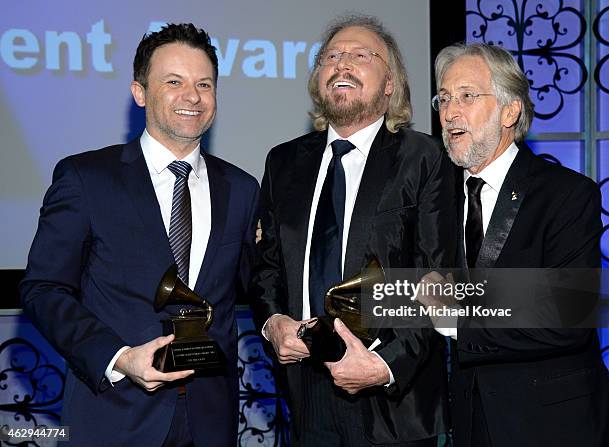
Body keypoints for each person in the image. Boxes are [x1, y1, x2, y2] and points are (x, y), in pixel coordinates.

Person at [20, 23, 258, 447]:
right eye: (174, 82)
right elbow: (43, 288)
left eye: (204, 83)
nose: (193, 96)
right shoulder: (86, 178)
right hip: (113, 417)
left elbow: (259, 284)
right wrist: (119, 358)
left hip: (212, 422)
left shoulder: (242, 189)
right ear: (140, 92)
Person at [250, 15, 456, 446]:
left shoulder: (424, 158)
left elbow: (439, 277)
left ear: (389, 83)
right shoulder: (282, 162)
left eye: (361, 55)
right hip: (306, 393)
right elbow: (267, 265)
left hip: (394, 398)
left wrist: (385, 366)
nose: (342, 64)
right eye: (331, 57)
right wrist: (273, 323)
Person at [420, 42, 609, 446]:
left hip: (554, 425)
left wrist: (459, 322)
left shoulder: (567, 195)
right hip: (471, 422)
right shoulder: (438, 200)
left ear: (510, 111)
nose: (450, 112)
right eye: (444, 99)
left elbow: (569, 313)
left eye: (467, 96)